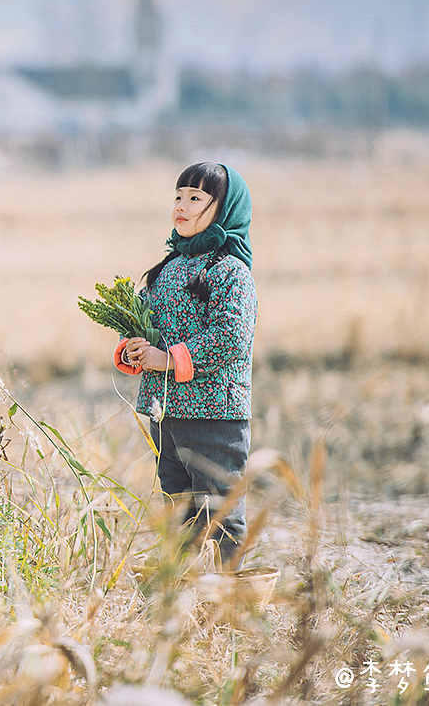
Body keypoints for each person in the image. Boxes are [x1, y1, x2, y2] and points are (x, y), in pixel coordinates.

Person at [113, 162, 256, 568]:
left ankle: (227, 603)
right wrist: (133, 349)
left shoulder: (231, 273)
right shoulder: (166, 271)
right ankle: (185, 603)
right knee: (179, 510)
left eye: (195, 198)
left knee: (219, 513)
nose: (182, 205)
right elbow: (143, 322)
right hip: (167, 413)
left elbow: (230, 338)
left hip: (215, 414)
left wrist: (168, 359)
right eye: (178, 196)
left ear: (225, 208)